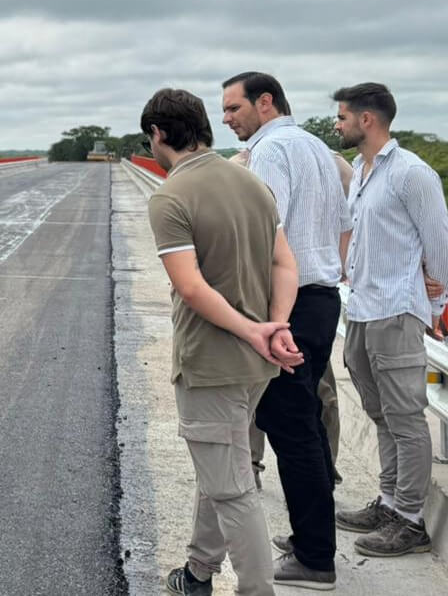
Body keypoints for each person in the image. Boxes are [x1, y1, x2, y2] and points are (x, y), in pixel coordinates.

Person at [143, 87, 301, 596]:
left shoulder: (171, 196)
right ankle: (198, 571)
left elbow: (191, 287)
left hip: (211, 363)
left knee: (233, 488)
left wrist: (256, 331)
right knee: (222, 466)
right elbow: (285, 264)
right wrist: (274, 326)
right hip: (257, 364)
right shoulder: (252, 184)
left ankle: (256, 590)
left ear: (159, 134)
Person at [221, 71, 347, 588]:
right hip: (323, 298)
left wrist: (271, 320)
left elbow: (263, 237)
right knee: (309, 427)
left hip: (289, 304)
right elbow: (344, 225)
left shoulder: (270, 152)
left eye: (233, 109)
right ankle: (309, 539)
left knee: (291, 433)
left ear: (265, 103)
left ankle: (315, 558)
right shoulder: (317, 146)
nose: (226, 119)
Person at [333, 82, 448, 557]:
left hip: (397, 311)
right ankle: (387, 501)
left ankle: (411, 519)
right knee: (379, 413)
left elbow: (439, 243)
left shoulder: (411, 174)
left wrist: (436, 307)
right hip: (361, 308)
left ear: (367, 120)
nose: (336, 124)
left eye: (342, 117)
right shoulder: (361, 170)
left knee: (405, 417)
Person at [231, 146, 350, 490]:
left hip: (306, 292)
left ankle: (323, 468)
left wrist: (340, 266)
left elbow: (352, 217)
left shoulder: (329, 164)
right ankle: (252, 464)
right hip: (270, 297)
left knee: (315, 392)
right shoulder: (241, 163)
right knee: (259, 390)